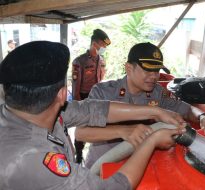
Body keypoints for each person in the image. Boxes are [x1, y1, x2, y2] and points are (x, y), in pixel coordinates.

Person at [0, 41, 186, 190]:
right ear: (62, 94)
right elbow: (115, 186)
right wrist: (151, 141)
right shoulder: (37, 161)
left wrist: (156, 111)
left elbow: (92, 110)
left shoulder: (30, 111)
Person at [75, 42, 205, 169]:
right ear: (129, 68)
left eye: (156, 70)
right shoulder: (103, 92)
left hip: (137, 168)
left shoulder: (157, 93)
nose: (154, 76)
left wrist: (202, 116)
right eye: (147, 69)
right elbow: (82, 133)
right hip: (101, 167)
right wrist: (123, 131)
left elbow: (186, 109)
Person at [72, 28, 111, 163]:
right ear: (95, 44)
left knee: (98, 124)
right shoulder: (80, 61)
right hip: (84, 96)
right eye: (103, 46)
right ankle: (79, 153)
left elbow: (101, 77)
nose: (104, 48)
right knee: (82, 125)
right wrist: (77, 104)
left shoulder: (101, 60)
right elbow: (76, 84)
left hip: (97, 97)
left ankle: (95, 152)